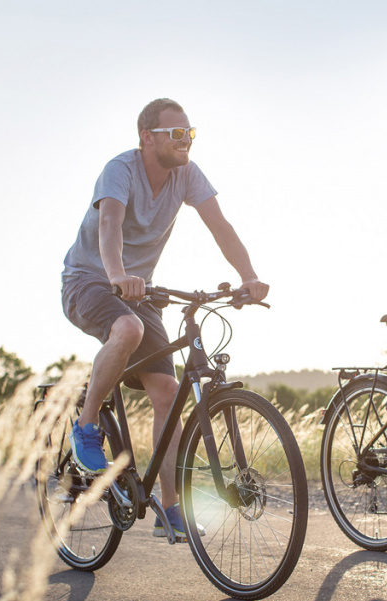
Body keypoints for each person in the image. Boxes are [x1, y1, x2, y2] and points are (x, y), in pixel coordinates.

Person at [61, 98, 268, 538]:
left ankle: (169, 508)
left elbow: (220, 226)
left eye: (189, 133)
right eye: (176, 133)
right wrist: (117, 274)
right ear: (147, 138)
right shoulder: (120, 169)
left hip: (139, 290)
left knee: (169, 392)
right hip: (89, 280)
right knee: (129, 328)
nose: (185, 141)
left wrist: (248, 276)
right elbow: (110, 225)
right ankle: (87, 424)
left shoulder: (187, 174)